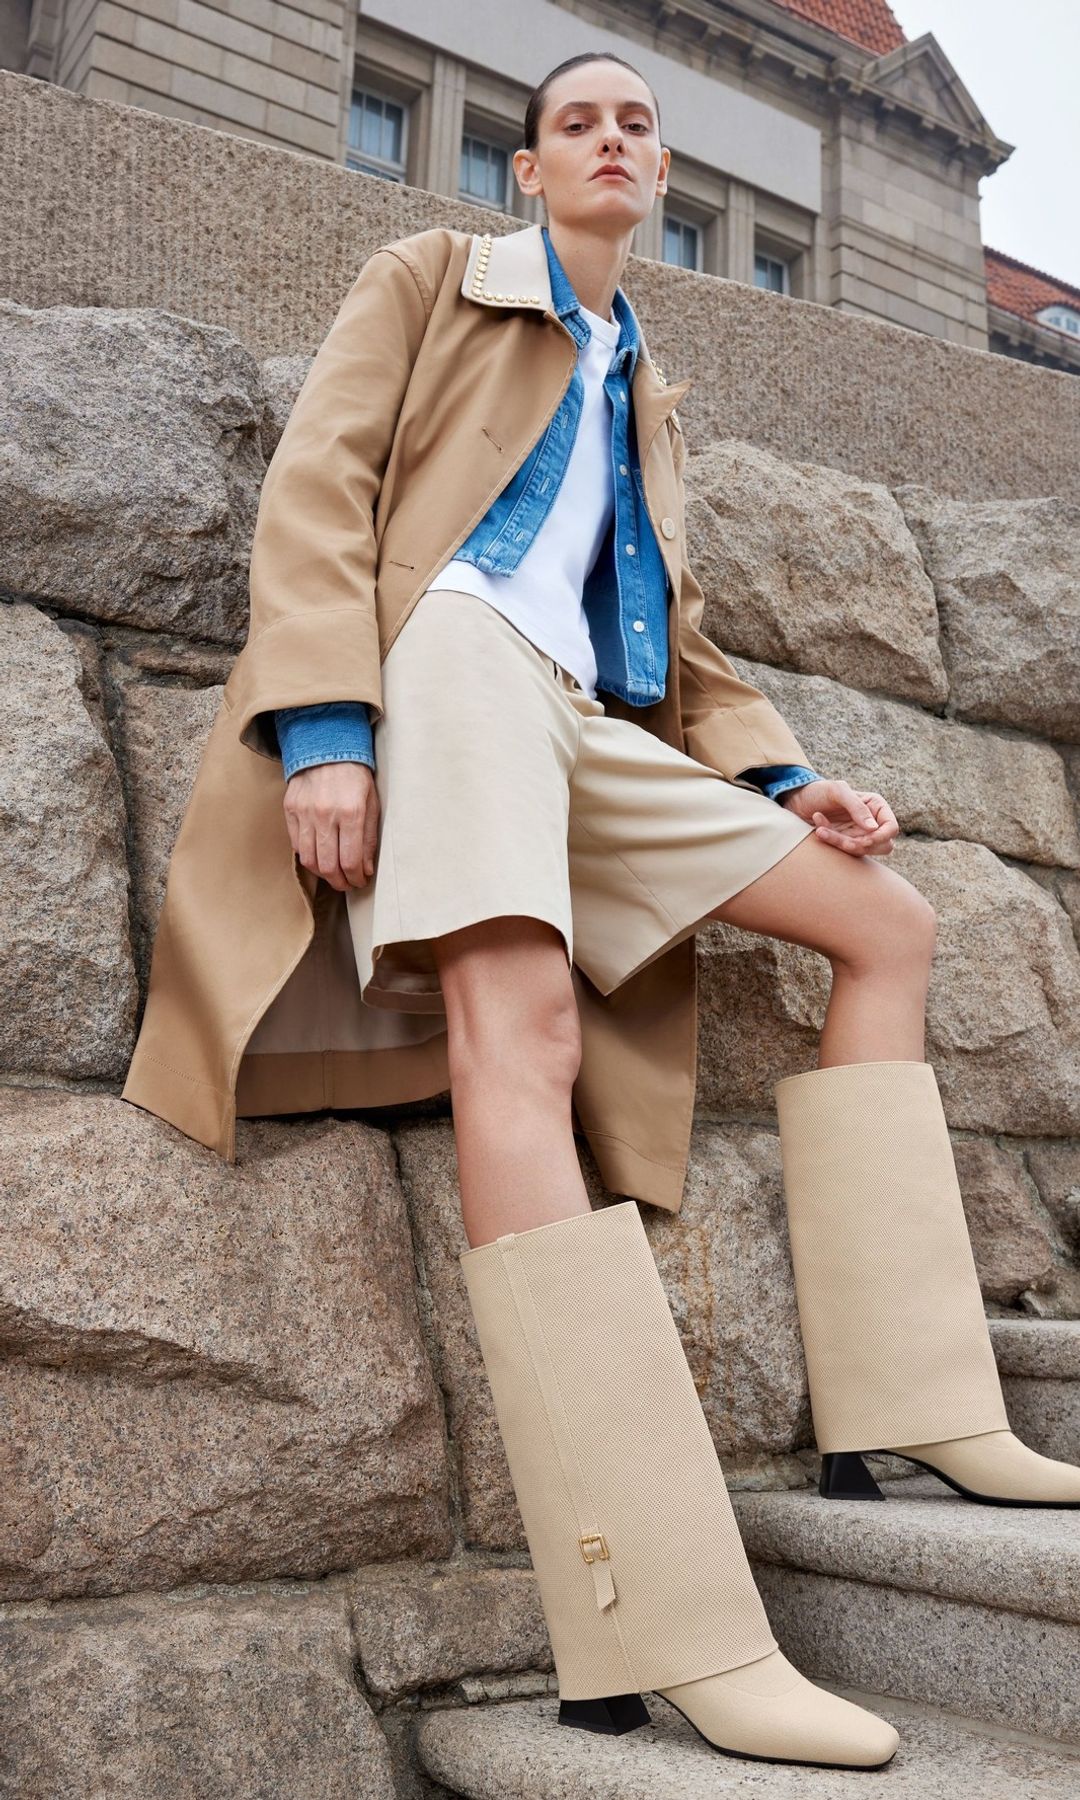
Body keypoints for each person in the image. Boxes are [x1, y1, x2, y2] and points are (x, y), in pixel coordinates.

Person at [124, 47, 1080, 1774]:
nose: (616, 142)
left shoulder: (646, 377)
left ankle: (917, 1409)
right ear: (528, 174)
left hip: (581, 717)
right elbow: (322, 494)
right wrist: (329, 734)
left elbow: (683, 641)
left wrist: (789, 784)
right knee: (525, 1035)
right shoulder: (430, 279)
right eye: (580, 122)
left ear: (661, 176)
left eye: (640, 124)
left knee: (889, 928)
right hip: (455, 668)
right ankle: (653, 1622)